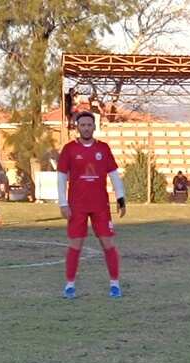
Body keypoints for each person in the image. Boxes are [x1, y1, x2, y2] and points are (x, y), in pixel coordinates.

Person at [56, 112, 126, 299]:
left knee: (108, 243)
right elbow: (62, 177)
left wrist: (120, 198)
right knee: (75, 245)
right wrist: (63, 203)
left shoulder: (103, 148)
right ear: (77, 127)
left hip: (100, 205)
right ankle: (70, 285)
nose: (86, 127)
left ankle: (114, 284)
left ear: (94, 127)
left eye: (89, 124)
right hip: (76, 206)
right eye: (83, 125)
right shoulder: (69, 149)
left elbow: (114, 175)